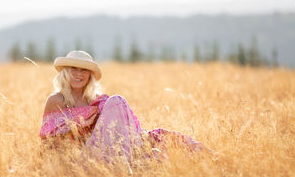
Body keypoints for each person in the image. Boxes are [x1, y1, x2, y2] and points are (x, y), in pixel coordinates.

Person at [40, 50, 208, 162]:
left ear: (89, 75)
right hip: (82, 156)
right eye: (73, 69)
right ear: (65, 72)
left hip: (107, 149)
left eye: (83, 70)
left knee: (158, 136)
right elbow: (46, 139)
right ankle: (131, 159)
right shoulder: (56, 100)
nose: (78, 74)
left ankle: (205, 154)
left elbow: (114, 129)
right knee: (116, 101)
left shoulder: (97, 101)